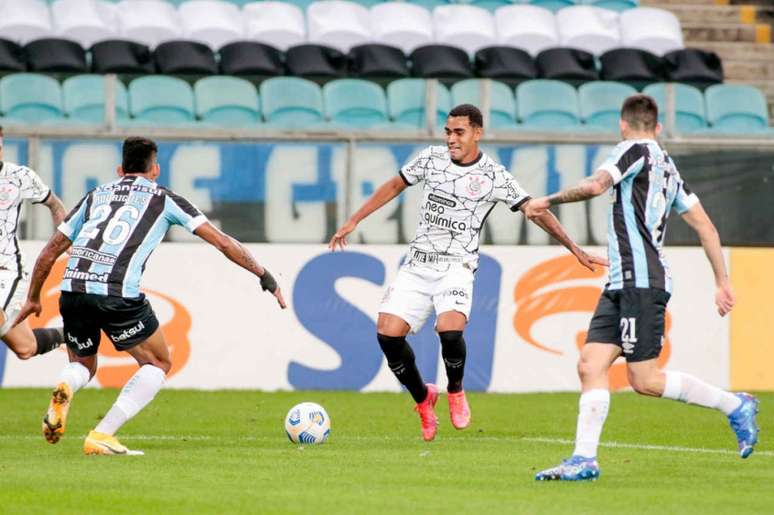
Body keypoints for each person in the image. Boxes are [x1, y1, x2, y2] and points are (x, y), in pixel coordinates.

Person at [329, 104, 606, 441]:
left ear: (477, 132)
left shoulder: (493, 175)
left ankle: (456, 391)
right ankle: (423, 399)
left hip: (457, 266)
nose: (450, 139)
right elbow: (393, 186)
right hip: (418, 264)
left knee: (449, 329)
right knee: (387, 334)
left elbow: (535, 211)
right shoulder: (431, 159)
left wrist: (575, 248)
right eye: (447, 132)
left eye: (458, 132)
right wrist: (355, 219)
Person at [526, 95, 759, 481]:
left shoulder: (632, 150)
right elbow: (706, 226)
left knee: (645, 380)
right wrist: (722, 280)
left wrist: (547, 200)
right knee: (590, 364)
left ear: (622, 125)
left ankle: (735, 404)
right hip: (623, 282)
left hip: (641, 282)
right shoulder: (669, 168)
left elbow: (597, 184)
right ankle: (584, 460)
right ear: (658, 127)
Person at [15, 136, 286, 456]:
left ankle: (66, 387)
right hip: (117, 294)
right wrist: (264, 275)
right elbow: (223, 243)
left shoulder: (95, 196)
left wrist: (33, 297)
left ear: (120, 169)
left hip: (72, 289)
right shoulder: (165, 198)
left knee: (84, 365)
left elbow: (49, 253)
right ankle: (102, 434)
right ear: (155, 169)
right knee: (158, 361)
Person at [0, 126, 69, 360]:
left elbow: (55, 205)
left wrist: (66, 243)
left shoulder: (19, 176)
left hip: (6, 270)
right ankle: (71, 333)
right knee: (25, 348)